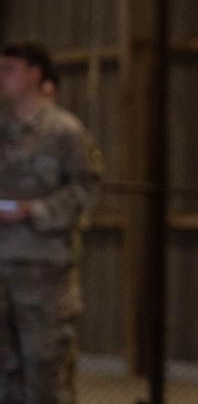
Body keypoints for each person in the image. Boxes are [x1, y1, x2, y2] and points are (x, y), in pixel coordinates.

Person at [0, 42, 103, 402]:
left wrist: (34, 210)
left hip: (43, 270)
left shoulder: (64, 132)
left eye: (10, 68)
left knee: (46, 368)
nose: (2, 76)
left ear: (35, 74)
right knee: (5, 371)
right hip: (2, 267)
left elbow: (86, 188)